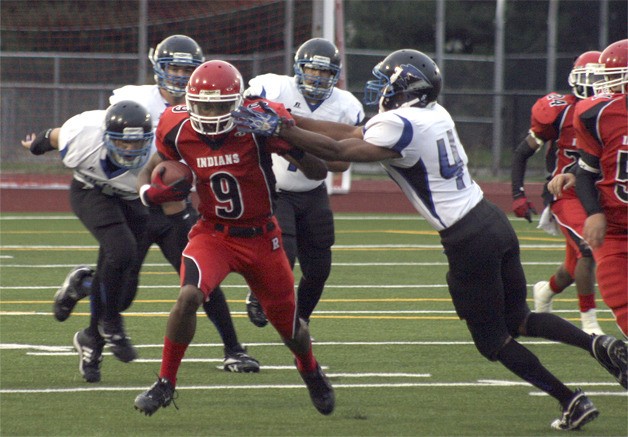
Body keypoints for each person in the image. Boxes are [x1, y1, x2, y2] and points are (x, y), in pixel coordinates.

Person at [232, 49, 628, 431]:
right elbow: (354, 132)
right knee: (519, 318)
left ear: (405, 86)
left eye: (385, 82)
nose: (379, 89)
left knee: (492, 341)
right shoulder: (430, 113)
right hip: (490, 220)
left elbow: (339, 150)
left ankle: (569, 400)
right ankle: (599, 346)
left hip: (466, 237)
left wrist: (284, 129)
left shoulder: (400, 124)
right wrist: (291, 119)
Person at [133, 60, 335, 417]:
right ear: (190, 101)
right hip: (214, 233)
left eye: (219, 105)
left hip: (262, 237)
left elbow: (319, 170)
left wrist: (284, 132)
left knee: (289, 329)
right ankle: (165, 382)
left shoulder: (257, 123)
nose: (210, 113)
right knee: (188, 296)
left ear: (237, 102)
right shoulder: (174, 125)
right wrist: (150, 195)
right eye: (203, 104)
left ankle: (310, 369)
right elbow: (154, 169)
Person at [109, 34, 259, 372]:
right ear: (158, 67)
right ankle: (90, 290)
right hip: (138, 204)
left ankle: (233, 348)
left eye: (186, 68)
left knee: (202, 284)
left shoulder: (211, 99)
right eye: (173, 67)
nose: (178, 74)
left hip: (177, 209)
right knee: (123, 288)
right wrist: (146, 189)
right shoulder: (135, 99)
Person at [21, 100, 155, 382]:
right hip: (91, 190)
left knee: (124, 293)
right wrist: (35, 146)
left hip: (131, 199)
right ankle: (109, 324)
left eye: (137, 143)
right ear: (106, 136)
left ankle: (82, 289)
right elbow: (53, 137)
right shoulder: (84, 133)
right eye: (124, 143)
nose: (131, 149)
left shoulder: (159, 152)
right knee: (121, 250)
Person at [242, 38, 364, 331]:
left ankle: (302, 319)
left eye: (325, 72)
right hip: (278, 190)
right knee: (285, 252)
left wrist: (294, 141)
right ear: (299, 68)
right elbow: (249, 114)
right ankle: (258, 293)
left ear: (335, 74)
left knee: (320, 268)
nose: (318, 77)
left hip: (313, 191)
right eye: (312, 69)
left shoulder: (347, 105)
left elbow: (342, 163)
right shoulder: (273, 86)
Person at [510, 50, 604, 335]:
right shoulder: (559, 112)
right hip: (566, 193)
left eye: (600, 78)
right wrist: (518, 194)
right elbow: (522, 152)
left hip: (601, 192)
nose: (595, 84)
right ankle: (590, 325)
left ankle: (545, 291)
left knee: (572, 266)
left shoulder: (614, 111)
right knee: (587, 251)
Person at [571, 39, 628, 336]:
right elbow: (586, 172)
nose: (610, 88)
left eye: (617, 80)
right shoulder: (597, 116)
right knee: (621, 302)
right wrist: (593, 212)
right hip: (615, 228)